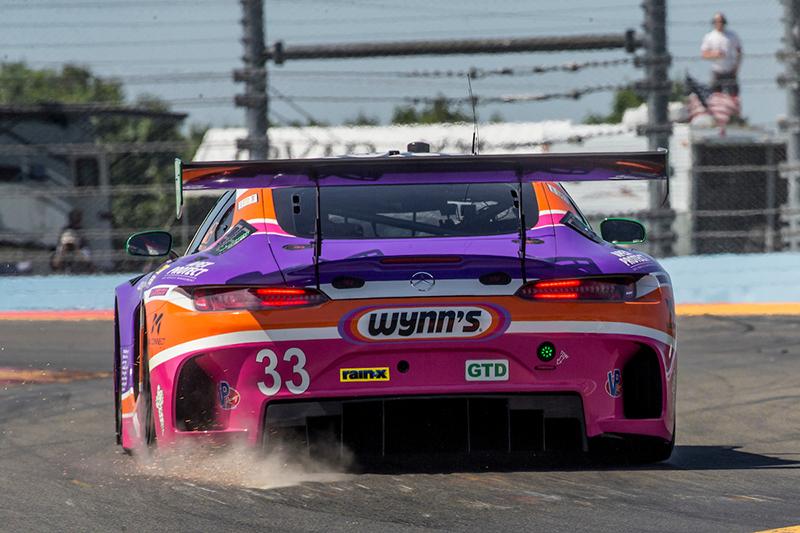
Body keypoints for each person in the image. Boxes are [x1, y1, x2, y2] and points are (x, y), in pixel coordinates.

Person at [700, 12, 743, 96]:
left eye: (721, 21)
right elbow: (704, 54)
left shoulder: (732, 35)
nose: (720, 24)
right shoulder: (709, 37)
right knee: (715, 97)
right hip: (717, 72)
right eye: (717, 21)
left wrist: (736, 67)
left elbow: (739, 51)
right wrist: (715, 55)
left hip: (730, 71)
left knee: (733, 96)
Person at [51, 208, 94, 273]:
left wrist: (76, 248)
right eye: (74, 218)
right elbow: (55, 264)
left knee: (85, 257)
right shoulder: (65, 230)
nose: (75, 220)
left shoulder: (81, 231)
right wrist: (64, 248)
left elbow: (88, 261)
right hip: (64, 250)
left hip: (79, 250)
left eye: (77, 218)